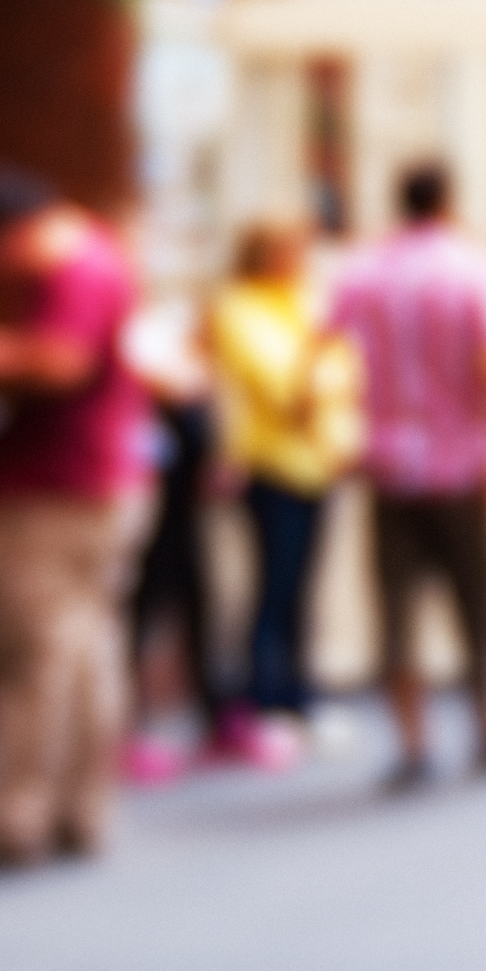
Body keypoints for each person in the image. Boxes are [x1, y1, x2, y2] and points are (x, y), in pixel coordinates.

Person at [0, 169, 149, 868]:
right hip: (98, 482)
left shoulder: (73, 270)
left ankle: (16, 819)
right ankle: (77, 809)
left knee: (32, 656)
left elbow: (60, 363)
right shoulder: (101, 256)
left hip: (55, 490)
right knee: (86, 649)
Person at [326, 159, 486, 786]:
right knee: (479, 604)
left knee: (396, 609)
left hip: (390, 469)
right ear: (448, 201)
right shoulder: (470, 270)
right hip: (461, 464)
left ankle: (414, 745)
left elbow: (320, 350)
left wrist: (340, 428)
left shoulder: (364, 271)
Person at [203, 217, 350, 769]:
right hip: (271, 464)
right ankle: (266, 697)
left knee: (303, 584)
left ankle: (298, 694)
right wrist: (318, 361)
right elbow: (286, 387)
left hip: (318, 461)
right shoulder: (238, 307)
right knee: (274, 583)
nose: (298, 260)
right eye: (287, 251)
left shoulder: (302, 300)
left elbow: (342, 374)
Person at [120, 283, 220, 782]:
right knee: (142, 607)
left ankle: (203, 714)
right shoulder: (139, 357)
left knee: (189, 601)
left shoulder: (179, 368)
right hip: (145, 508)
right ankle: (132, 724)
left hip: (178, 512)